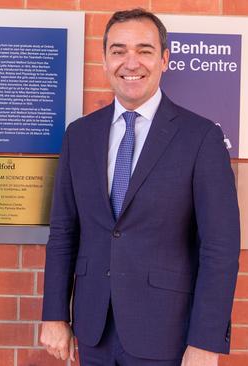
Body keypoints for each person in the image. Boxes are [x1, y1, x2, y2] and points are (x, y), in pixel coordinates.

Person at [40, 8, 239, 366]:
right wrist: (55, 315)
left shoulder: (201, 137)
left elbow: (219, 247)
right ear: (104, 60)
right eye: (118, 50)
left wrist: (206, 340)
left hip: (167, 334)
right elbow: (64, 232)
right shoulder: (79, 136)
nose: (130, 62)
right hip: (93, 331)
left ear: (164, 59)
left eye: (144, 50)